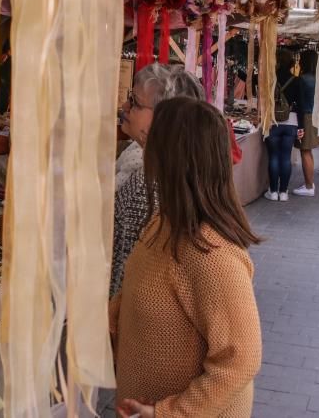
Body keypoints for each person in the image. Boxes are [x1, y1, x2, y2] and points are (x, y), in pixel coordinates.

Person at [112, 97, 262, 418]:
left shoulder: (211, 253)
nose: (146, 146)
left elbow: (241, 357)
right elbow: (136, 296)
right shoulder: (162, 225)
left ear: (172, 156)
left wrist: (170, 412)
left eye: (155, 138)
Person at [111, 64, 205, 296]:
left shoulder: (150, 183)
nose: (125, 107)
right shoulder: (176, 168)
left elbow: (126, 271)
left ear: (162, 116)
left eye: (134, 101)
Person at [264, 49, 303, 202]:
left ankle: (273, 192)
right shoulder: (296, 80)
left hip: (273, 121)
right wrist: (301, 126)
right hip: (291, 121)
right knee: (285, 157)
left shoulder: (270, 80)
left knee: (273, 156)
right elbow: (300, 104)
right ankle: (284, 192)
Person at [293, 50, 319, 197]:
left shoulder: (302, 79)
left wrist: (300, 125)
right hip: (314, 116)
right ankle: (309, 183)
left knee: (305, 151)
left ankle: (309, 186)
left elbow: (301, 103)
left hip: (307, 116)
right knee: (307, 150)